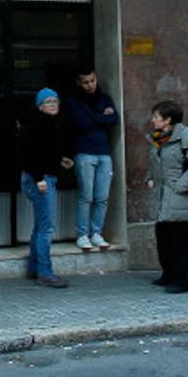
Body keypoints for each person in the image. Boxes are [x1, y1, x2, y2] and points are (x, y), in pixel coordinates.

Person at [145, 100, 188, 294]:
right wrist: (150, 177)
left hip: (179, 196)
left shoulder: (186, 137)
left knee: (178, 238)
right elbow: (156, 163)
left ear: (168, 120)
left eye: (156, 117)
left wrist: (180, 185)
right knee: (163, 235)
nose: (152, 120)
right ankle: (168, 273)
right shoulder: (158, 138)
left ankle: (181, 279)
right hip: (162, 196)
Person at [19, 87, 73, 288]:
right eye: (48, 102)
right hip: (40, 180)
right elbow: (31, 154)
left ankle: (34, 267)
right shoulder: (40, 124)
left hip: (39, 177)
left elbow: (44, 153)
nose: (53, 105)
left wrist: (60, 161)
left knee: (40, 226)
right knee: (47, 228)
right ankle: (45, 273)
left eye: (55, 101)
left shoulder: (46, 123)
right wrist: (39, 178)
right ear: (40, 106)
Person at [68, 68, 119, 251]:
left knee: (102, 197)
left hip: (104, 153)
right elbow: (82, 123)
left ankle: (96, 233)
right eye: (85, 82)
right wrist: (102, 116)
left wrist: (94, 117)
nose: (90, 85)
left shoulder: (104, 98)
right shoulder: (74, 101)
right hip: (84, 153)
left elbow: (114, 119)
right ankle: (82, 235)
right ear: (79, 83)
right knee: (86, 196)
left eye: (92, 81)